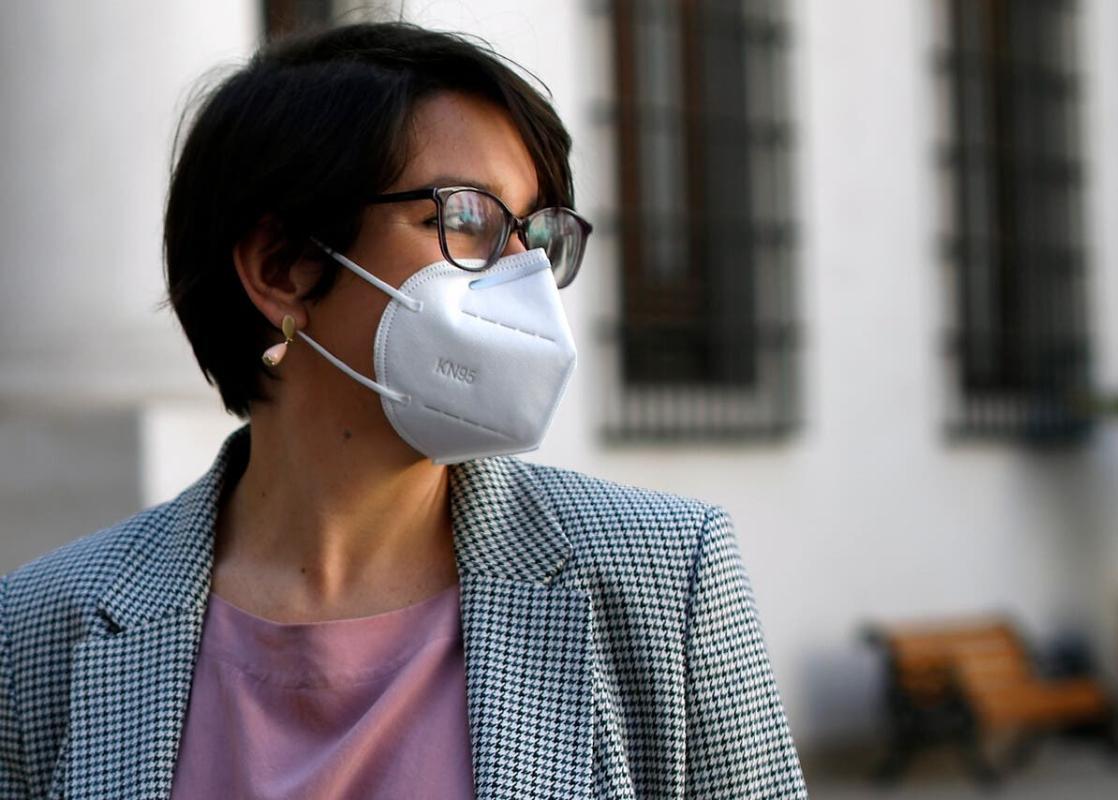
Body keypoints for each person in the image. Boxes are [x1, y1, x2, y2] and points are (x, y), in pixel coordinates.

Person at [0, 20, 808, 799]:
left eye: (534, 232)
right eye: (464, 218)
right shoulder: (40, 630)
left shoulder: (663, 578)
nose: (524, 275)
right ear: (281, 267)